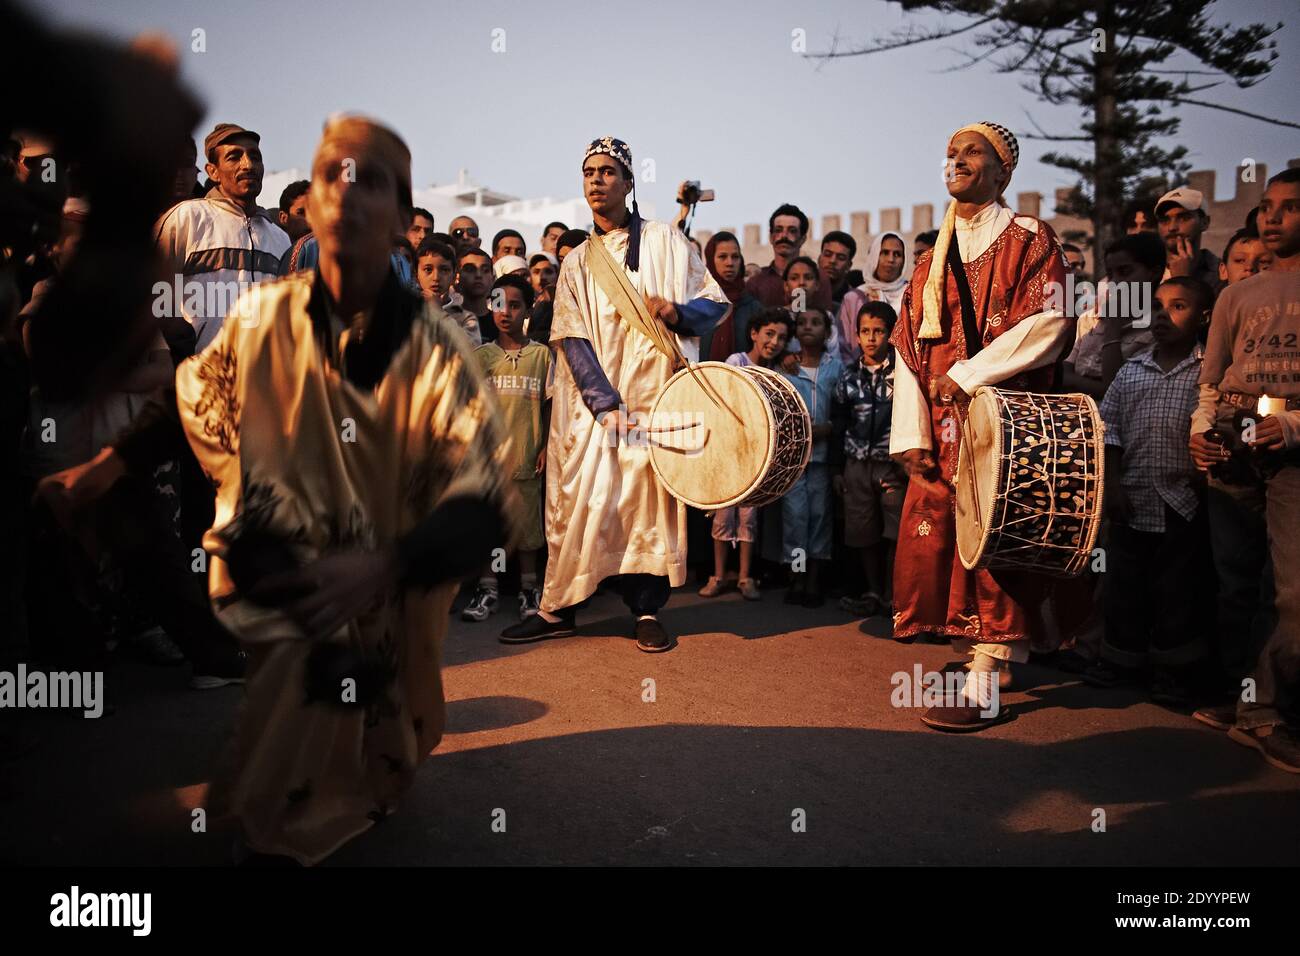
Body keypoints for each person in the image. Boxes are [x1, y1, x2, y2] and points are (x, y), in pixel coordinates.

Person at [55, 115, 522, 863]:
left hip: (394, 573)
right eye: (333, 178)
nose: (349, 197)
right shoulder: (265, 316)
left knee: (392, 732)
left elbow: (482, 490)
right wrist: (109, 464)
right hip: (291, 560)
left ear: (399, 217)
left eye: (371, 184)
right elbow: (198, 391)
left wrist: (388, 564)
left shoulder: (437, 347)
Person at [499, 136, 727, 652]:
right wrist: (605, 407)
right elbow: (570, 334)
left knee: (645, 507)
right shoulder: (578, 261)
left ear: (628, 182)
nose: (596, 180)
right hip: (590, 407)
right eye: (589, 173)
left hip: (654, 400)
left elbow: (715, 301)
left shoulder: (670, 243)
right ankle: (558, 609)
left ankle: (646, 611)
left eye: (607, 172)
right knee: (581, 501)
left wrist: (678, 313)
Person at [889, 121, 1072, 731]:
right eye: (950, 153)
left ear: (1004, 171)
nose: (957, 160)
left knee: (995, 539)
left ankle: (987, 680)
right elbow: (908, 351)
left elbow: (1049, 325)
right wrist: (911, 434)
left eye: (972, 152)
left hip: (1005, 423)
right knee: (946, 535)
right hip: (941, 426)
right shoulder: (927, 264)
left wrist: (968, 376)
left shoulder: (1030, 238)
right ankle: (979, 654)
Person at [1187, 168, 1300, 773]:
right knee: (1235, 580)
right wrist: (1201, 433)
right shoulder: (1236, 296)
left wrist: (1294, 428)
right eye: (1267, 207)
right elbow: (1210, 381)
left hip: (1293, 449)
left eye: (1290, 207)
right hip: (1234, 435)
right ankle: (1249, 701)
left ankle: (1272, 709)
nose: (1274, 217)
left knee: (1292, 591)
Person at [1087, 277, 1214, 705]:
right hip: (1133, 498)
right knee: (1125, 584)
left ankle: (1172, 671)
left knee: (1178, 589)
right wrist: (1115, 484)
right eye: (1158, 306)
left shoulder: (1207, 373)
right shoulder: (1132, 370)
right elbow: (1110, 429)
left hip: (1183, 501)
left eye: (1178, 307)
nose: (1163, 315)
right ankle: (1122, 661)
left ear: (1204, 317)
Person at [154, 123, 290, 354]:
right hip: (200, 380)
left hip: (260, 382)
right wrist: (177, 344)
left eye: (255, 157)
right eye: (234, 157)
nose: (248, 165)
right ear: (212, 172)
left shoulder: (280, 238)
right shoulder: (186, 218)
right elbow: (152, 290)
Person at [465, 275, 550, 621]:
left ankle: (530, 591)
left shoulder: (542, 356)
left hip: (527, 458)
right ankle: (488, 590)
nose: (505, 312)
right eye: (499, 304)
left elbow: (548, 406)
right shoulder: (481, 356)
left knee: (528, 532)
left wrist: (544, 446)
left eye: (515, 305)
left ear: (528, 310)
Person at [698, 308, 791, 601]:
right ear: (754, 333)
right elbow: (725, 400)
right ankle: (718, 575)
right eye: (769, 334)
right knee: (722, 514)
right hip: (728, 451)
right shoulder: (735, 362)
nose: (774, 342)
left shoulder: (775, 374)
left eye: (782, 338)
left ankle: (745, 577)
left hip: (757, 455)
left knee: (749, 517)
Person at [834, 301, 905, 619]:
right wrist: (838, 469)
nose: (872, 338)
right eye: (865, 331)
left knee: (895, 532)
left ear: (891, 335)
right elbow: (839, 423)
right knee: (863, 532)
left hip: (893, 465)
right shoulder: (847, 376)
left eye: (879, 331)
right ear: (857, 335)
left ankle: (894, 596)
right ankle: (872, 591)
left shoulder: (904, 376)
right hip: (856, 466)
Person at [781, 308, 841, 607]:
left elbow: (844, 409)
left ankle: (815, 580)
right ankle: (797, 578)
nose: (808, 328)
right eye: (802, 323)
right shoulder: (786, 369)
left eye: (816, 323)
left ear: (827, 332)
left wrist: (830, 428)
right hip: (795, 459)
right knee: (795, 519)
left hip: (823, 458)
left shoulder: (837, 368)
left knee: (819, 518)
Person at [1063, 232, 1165, 398]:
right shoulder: (1090, 319)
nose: (1115, 282)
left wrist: (1113, 329)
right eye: (1110, 274)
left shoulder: (1156, 329)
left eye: (1125, 272)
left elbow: (1115, 389)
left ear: (1153, 272)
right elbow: (1064, 374)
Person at [836, 230, 911, 363]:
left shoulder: (912, 295)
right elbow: (843, 345)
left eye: (897, 254)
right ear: (874, 255)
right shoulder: (853, 298)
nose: (891, 259)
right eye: (884, 253)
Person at [746, 203, 829, 312]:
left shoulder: (820, 279)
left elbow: (824, 321)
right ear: (771, 237)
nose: (784, 236)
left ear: (802, 239)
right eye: (778, 230)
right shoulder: (756, 283)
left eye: (792, 231)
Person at [702, 230, 764, 361]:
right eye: (722, 257)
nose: (730, 263)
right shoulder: (698, 303)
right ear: (711, 259)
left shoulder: (752, 307)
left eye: (735, 257)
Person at [415, 237, 480, 344]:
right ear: (416, 274)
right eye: (428, 269)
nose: (436, 277)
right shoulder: (403, 310)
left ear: (454, 276)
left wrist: (439, 313)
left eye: (444, 270)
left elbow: (470, 352)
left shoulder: (466, 319)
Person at [1156, 186, 1221, 290]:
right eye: (1164, 220)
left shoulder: (1222, 273)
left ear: (1205, 222)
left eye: (1183, 218)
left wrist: (1182, 281)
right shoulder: (1144, 271)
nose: (1172, 227)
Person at [455, 245, 495, 342]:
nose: (478, 275)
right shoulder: (449, 320)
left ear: (493, 279)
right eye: (470, 269)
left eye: (485, 270)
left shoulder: (501, 324)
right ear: (456, 277)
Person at [818, 230, 859, 311]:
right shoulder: (804, 293)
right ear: (819, 259)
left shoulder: (856, 302)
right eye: (827, 254)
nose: (832, 261)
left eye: (841, 258)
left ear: (849, 265)